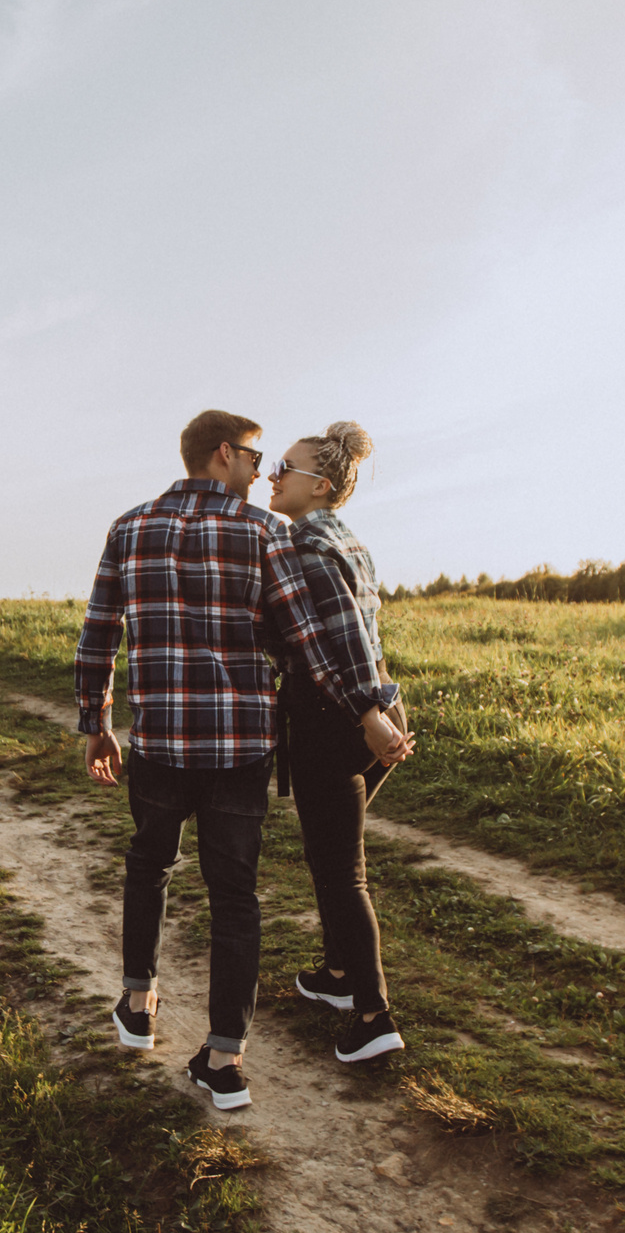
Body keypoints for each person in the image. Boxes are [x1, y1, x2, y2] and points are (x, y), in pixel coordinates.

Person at [77, 409, 411, 1111]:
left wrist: (96, 723)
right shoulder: (265, 534)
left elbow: (99, 632)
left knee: (149, 862)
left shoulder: (129, 526)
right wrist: (367, 706)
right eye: (257, 458)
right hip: (239, 748)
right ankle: (225, 1060)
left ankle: (138, 1003)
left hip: (162, 740)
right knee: (236, 897)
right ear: (223, 454)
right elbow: (309, 641)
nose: (262, 473)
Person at [268, 424, 411, 1063]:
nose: (273, 476)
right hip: (380, 703)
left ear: (319, 485)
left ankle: (375, 1016)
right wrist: (381, 709)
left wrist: (363, 715)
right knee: (332, 851)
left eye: (285, 468)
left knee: (340, 867)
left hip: (340, 716)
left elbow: (339, 638)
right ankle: (337, 975)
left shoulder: (305, 543)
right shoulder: (346, 538)